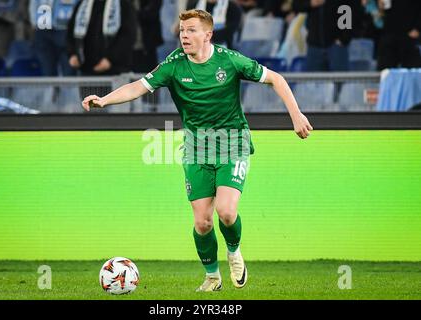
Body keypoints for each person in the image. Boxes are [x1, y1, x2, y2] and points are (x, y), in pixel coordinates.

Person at [82, 9, 313, 292]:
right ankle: (212, 277)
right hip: (196, 148)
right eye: (181, 30)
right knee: (203, 222)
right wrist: (104, 100)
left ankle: (233, 251)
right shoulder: (174, 64)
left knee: (227, 213)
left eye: (191, 30)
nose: (184, 36)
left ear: (208, 34)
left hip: (233, 143)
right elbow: (137, 87)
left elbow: (276, 79)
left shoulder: (229, 60)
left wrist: (296, 115)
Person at [67, 0, 137, 75]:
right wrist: (73, 53)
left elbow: (128, 35)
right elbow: (71, 31)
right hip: (86, 68)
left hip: (115, 70)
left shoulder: (123, 3)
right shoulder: (83, 4)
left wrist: (111, 59)